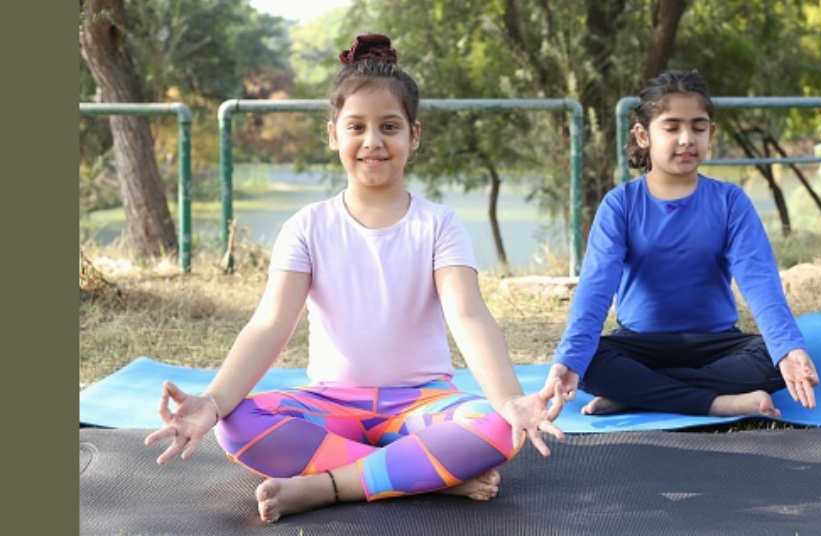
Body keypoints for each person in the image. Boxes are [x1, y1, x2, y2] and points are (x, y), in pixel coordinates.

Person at [144, 33, 562, 523]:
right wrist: (213, 401)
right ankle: (425, 477)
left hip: (421, 407)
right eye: (356, 126)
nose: (373, 141)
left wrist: (511, 399)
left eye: (389, 126)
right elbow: (269, 324)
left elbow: (468, 315)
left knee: (495, 427)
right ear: (333, 134)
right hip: (330, 408)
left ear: (414, 135)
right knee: (236, 424)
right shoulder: (307, 226)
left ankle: (329, 487)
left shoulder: (439, 224)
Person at [543, 70, 819, 421]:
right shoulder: (620, 205)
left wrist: (788, 350)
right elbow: (596, 289)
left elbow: (760, 280)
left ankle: (637, 394)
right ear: (643, 136)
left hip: (716, 344)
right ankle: (717, 403)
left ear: (711, 134)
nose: (687, 139)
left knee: (773, 360)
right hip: (641, 345)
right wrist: (569, 360)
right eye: (672, 128)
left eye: (698, 128)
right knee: (589, 362)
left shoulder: (730, 201)